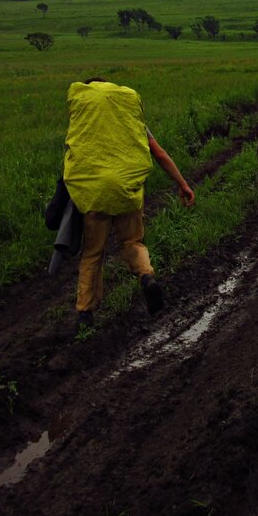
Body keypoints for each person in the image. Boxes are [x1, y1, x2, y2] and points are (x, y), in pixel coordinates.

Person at [63, 77, 195, 329]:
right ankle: (146, 276)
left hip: (94, 195)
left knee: (92, 253)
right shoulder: (129, 120)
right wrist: (183, 183)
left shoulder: (84, 122)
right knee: (132, 242)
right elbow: (159, 153)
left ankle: (85, 314)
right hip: (127, 191)